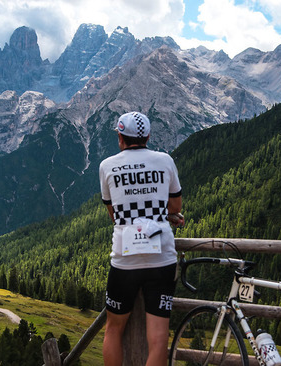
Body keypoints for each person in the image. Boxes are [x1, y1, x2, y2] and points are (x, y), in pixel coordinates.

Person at [99, 111, 184, 366]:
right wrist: (164, 214)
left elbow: (115, 215)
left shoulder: (107, 165)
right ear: (148, 136)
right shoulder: (165, 160)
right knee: (158, 340)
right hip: (162, 256)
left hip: (125, 257)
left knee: (113, 329)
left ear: (120, 137)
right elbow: (175, 205)